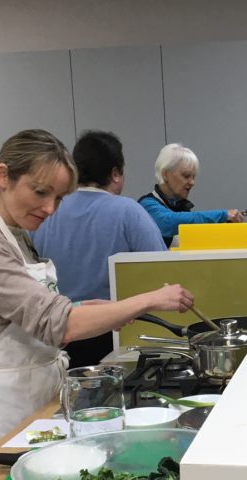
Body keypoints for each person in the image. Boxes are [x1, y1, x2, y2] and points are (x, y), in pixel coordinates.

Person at [0, 129, 194, 465]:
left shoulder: (17, 236)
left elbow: (26, 310)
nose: (49, 209)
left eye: (59, 198)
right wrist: (147, 300)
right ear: (4, 176)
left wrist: (88, 307)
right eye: (41, 192)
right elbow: (56, 324)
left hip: (38, 397)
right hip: (2, 411)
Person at [30, 130, 167, 367]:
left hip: (54, 336)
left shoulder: (46, 213)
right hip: (111, 336)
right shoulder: (129, 212)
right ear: (115, 173)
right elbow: (161, 270)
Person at [138, 143, 244, 246]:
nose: (192, 182)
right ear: (165, 174)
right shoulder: (147, 206)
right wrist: (222, 215)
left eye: (193, 177)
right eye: (186, 176)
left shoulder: (181, 207)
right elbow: (170, 221)